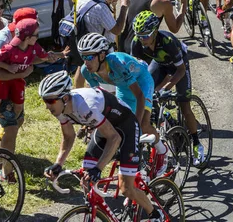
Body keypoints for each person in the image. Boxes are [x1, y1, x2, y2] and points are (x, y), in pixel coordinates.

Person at [40, 71, 164, 221]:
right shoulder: (60, 108)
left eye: (50, 101)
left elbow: (114, 138)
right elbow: (68, 136)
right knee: (86, 178)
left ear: (65, 98)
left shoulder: (86, 106)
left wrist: (98, 168)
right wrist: (58, 164)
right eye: (44, 101)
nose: (47, 106)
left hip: (126, 127)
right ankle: (96, 212)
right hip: (105, 128)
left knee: (126, 188)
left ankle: (156, 214)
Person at [78, 33, 168, 175]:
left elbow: (139, 96)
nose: (86, 62)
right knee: (119, 122)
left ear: (102, 56)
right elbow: (101, 98)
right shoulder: (87, 71)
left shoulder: (116, 64)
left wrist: (136, 126)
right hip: (124, 87)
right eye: (83, 57)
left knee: (142, 125)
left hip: (142, 82)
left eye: (89, 57)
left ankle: (162, 150)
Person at [0, 19, 61, 182]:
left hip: (17, 86)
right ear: (27, 37)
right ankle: (6, 172)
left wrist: (53, 57)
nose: (38, 37)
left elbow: (38, 57)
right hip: (0, 87)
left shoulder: (31, 47)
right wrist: (12, 70)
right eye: (36, 35)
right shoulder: (6, 46)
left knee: (18, 117)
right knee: (7, 123)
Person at [130, 11, 205, 166]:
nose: (142, 39)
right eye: (139, 36)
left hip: (179, 66)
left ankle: (197, 143)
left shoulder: (167, 41)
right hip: (160, 64)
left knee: (184, 105)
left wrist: (167, 87)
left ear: (155, 31)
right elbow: (136, 70)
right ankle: (167, 121)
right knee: (148, 95)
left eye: (145, 36)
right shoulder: (137, 43)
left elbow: (181, 71)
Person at [0, 8, 38, 153]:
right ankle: (2, 164)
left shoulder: (23, 38)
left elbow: (31, 54)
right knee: (10, 127)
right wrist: (22, 73)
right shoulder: (3, 41)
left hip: (11, 84)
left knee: (18, 119)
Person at [72, 0, 129, 87]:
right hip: (102, 53)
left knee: (90, 80)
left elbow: (93, 6)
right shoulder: (101, 8)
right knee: (110, 88)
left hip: (87, 48)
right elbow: (117, 29)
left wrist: (108, 0)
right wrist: (124, 7)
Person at [119, 0, 184, 55]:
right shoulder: (162, 2)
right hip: (140, 50)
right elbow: (174, 28)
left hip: (124, 45)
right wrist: (184, 5)